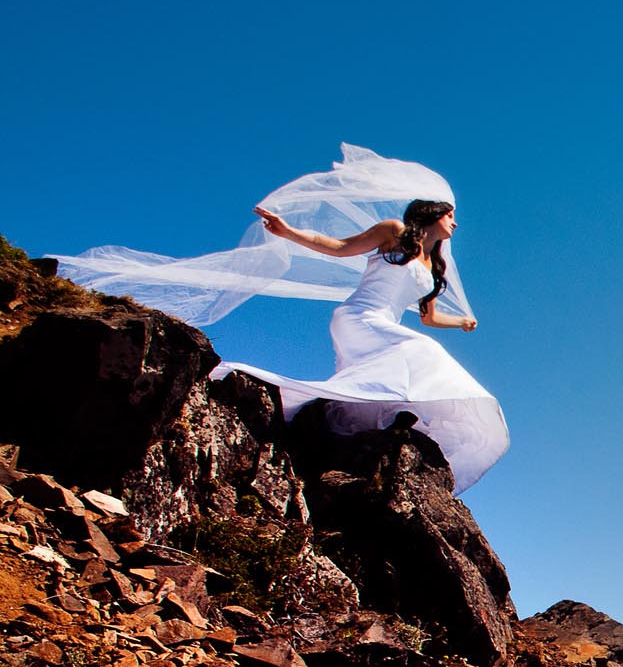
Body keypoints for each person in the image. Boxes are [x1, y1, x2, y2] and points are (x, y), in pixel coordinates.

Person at [50, 145, 509, 493]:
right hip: (358, 319)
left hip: (385, 329)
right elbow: (338, 247)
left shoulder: (435, 271)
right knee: (419, 354)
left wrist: (462, 323)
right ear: (431, 215)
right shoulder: (394, 234)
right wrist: (288, 232)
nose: (455, 222)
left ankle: (335, 429)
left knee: (405, 364)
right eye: (451, 215)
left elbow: (428, 319)